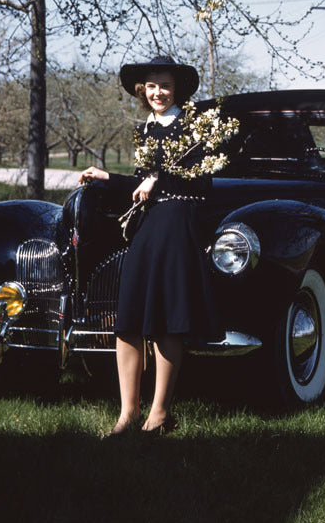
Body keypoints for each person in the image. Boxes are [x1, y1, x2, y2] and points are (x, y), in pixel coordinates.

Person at [79, 55, 223, 438]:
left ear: (177, 90)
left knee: (166, 319)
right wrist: (108, 177)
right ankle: (128, 413)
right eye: (153, 86)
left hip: (177, 225)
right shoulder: (144, 129)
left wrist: (159, 179)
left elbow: (202, 184)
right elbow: (142, 184)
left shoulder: (192, 127)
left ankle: (159, 413)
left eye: (166, 86)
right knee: (128, 319)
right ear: (143, 90)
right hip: (149, 225)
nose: (159, 93)